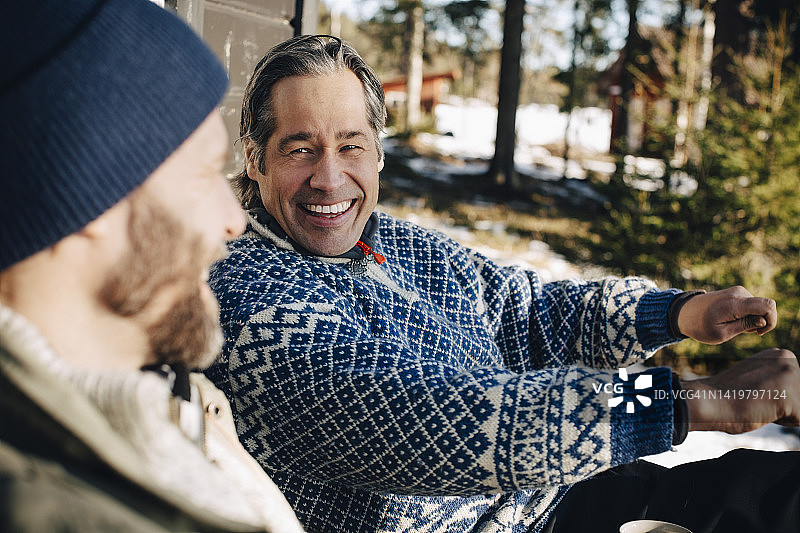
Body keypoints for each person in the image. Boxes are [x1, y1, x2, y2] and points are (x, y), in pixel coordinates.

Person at [207, 34, 800, 533]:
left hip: (562, 492)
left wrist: (680, 313)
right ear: (256, 159)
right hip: (513, 519)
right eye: (300, 149)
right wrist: (694, 401)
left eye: (350, 145)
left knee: (777, 493)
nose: (330, 178)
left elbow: (532, 311)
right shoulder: (251, 302)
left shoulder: (392, 241)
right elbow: (451, 419)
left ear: (378, 155)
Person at [0, 1, 306, 531]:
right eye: (205, 174)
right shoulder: (52, 510)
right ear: (86, 191)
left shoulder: (171, 406)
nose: (234, 219)